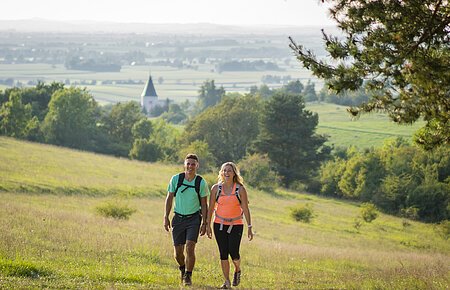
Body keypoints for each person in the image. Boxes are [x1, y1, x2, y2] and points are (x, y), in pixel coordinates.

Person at [164, 153, 210, 286]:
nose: (190, 166)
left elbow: (204, 204)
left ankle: (188, 276)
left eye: (193, 164)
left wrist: (205, 223)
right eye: (188, 163)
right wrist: (166, 217)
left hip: (194, 219)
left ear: (197, 166)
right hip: (178, 218)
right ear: (184, 164)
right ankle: (182, 268)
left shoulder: (200, 182)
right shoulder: (176, 179)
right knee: (178, 253)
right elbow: (169, 198)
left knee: (190, 248)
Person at [206, 162, 253, 289]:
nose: (226, 173)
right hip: (219, 224)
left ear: (234, 174)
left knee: (234, 252)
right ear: (221, 173)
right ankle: (226, 281)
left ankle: (237, 269)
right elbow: (211, 208)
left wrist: (249, 227)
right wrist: (207, 225)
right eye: (224, 170)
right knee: (223, 253)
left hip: (236, 225)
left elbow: (246, 208)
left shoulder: (240, 189)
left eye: (229, 171)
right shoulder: (216, 189)